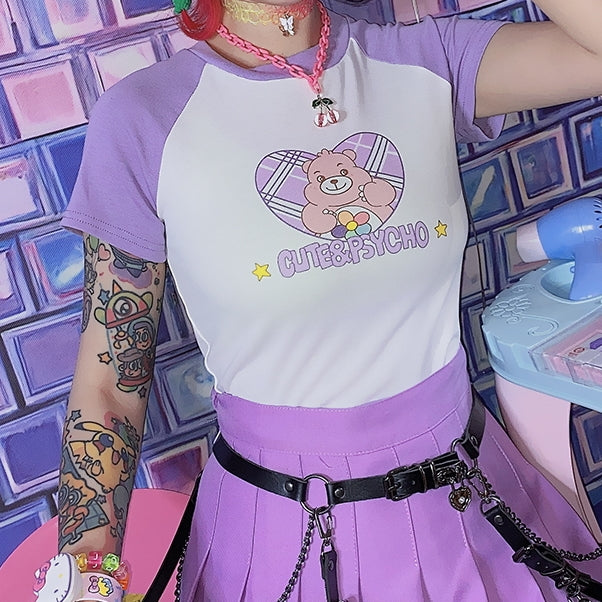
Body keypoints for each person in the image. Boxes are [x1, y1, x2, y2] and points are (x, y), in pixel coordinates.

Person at [35, 0, 602, 600]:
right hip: (277, 539)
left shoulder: (424, 59)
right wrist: (87, 573)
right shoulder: (143, 117)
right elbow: (109, 384)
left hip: (471, 507)